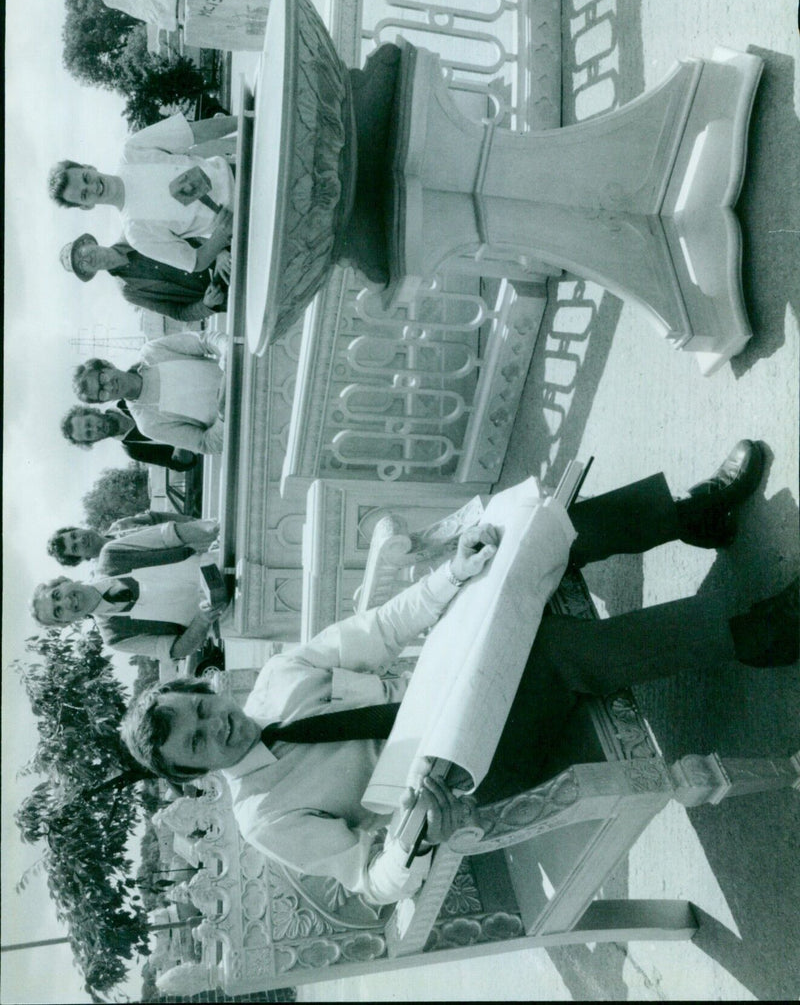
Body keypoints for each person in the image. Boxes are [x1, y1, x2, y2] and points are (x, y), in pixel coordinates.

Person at [121, 441, 799, 906]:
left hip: (449, 672)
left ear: (200, 689)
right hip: (468, 765)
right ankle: (756, 634)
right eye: (201, 742)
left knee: (525, 543)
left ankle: (693, 511)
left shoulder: (276, 681)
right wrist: (421, 837)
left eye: (202, 710)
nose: (219, 724)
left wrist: (456, 570)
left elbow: (383, 628)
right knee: (556, 655)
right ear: (194, 773)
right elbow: (370, 876)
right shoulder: (266, 818)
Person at [47, 112, 238, 272]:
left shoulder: (132, 149)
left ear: (89, 167)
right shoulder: (136, 234)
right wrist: (220, 236)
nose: (93, 187)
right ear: (86, 206)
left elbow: (195, 133)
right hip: (238, 221)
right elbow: (195, 262)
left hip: (238, 169)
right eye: (84, 195)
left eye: (86, 178)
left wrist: (242, 122)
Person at [30, 548, 231, 663]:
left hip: (224, 561)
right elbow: (177, 650)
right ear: (67, 622)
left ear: (64, 581)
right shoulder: (115, 638)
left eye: (57, 595)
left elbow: (176, 533)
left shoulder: (111, 555)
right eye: (58, 611)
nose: (66, 602)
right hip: (230, 616)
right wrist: (203, 621)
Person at [72, 329, 228, 455]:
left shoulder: (152, 351)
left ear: (107, 365)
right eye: (101, 393)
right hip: (237, 418)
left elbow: (206, 341)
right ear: (104, 402)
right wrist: (223, 415)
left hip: (244, 369)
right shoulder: (148, 424)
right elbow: (205, 443)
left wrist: (227, 349)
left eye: (102, 378)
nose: (109, 387)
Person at [59, 233, 230, 323]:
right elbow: (177, 312)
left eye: (81, 252)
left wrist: (218, 250)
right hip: (227, 296)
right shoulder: (129, 292)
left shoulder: (133, 232)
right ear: (88, 273)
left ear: (88, 242)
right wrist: (207, 305)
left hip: (230, 253)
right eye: (81, 265)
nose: (87, 259)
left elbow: (191, 228)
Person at [47, 516, 219, 572]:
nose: (81, 539)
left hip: (208, 534)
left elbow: (165, 519)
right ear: (80, 558)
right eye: (75, 547)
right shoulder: (110, 569)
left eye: (74, 535)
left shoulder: (122, 526)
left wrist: (202, 524)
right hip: (200, 563)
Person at [60, 402, 199, 471]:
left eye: (89, 423)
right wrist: (181, 451)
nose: (95, 428)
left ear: (91, 411)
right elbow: (186, 463)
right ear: (93, 441)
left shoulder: (126, 400)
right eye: (89, 434)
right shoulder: (134, 450)